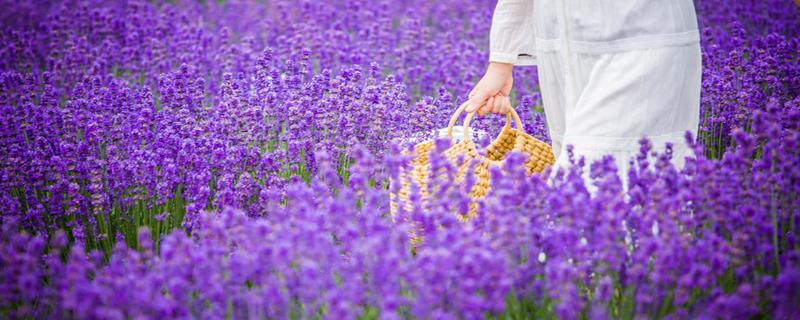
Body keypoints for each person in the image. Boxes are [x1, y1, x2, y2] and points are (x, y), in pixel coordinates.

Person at [466, 0, 702, 187]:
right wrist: (501, 62)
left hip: (640, 38)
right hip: (564, 50)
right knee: (596, 175)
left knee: (584, 179)